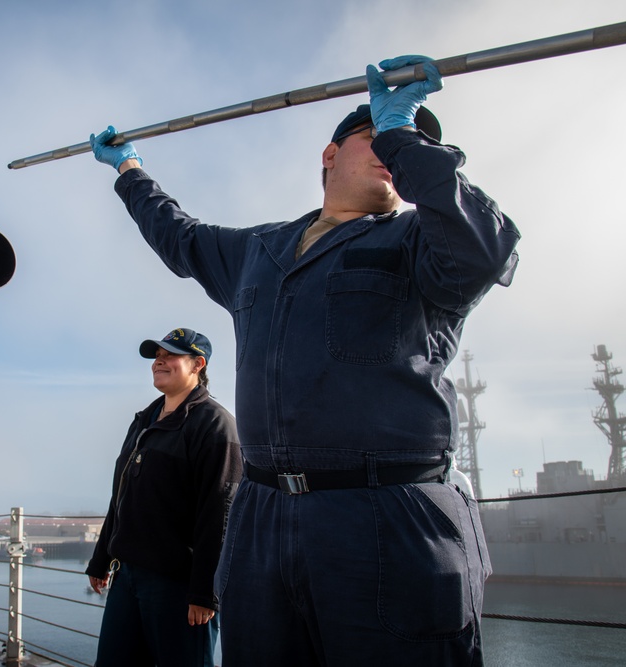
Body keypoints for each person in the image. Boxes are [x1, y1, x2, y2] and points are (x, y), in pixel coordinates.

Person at [89, 56, 520, 665]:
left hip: (387, 516)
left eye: (412, 144)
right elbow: (178, 235)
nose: (396, 152)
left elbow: (485, 250)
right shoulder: (257, 250)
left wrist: (402, 133)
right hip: (261, 518)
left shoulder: (417, 240)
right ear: (329, 154)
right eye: (377, 137)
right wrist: (129, 169)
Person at [86, 328, 242, 667]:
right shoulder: (144, 420)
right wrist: (101, 559)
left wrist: (205, 593)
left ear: (198, 364)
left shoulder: (215, 425)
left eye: (171, 355)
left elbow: (220, 514)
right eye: (157, 355)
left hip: (178, 585)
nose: (160, 360)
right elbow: (122, 495)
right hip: (127, 576)